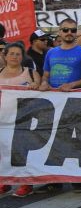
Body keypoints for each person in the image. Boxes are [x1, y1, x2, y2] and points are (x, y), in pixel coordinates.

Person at [1, 42, 40, 197]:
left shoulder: (30, 73)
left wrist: (37, 85)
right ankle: (4, 181)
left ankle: (26, 183)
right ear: (5, 55)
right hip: (3, 119)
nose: (15, 57)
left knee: (22, 152)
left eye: (18, 54)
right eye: (11, 53)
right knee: (3, 151)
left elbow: (41, 88)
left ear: (22, 57)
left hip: (23, 119)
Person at [39, 18, 81, 93]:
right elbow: (46, 75)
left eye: (73, 30)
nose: (69, 32)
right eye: (65, 30)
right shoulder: (51, 52)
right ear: (59, 32)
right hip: (52, 95)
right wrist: (44, 83)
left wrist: (71, 85)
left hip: (74, 96)